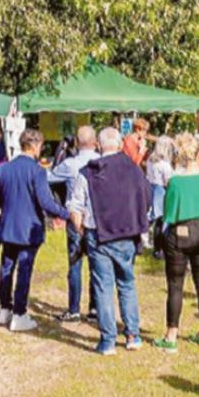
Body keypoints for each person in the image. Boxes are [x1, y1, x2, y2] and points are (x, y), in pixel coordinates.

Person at [78, 127, 151, 355]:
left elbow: (75, 206)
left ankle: (108, 341)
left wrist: (81, 230)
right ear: (120, 144)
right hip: (127, 233)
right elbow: (146, 197)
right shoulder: (134, 169)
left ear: (99, 146)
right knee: (127, 283)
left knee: (103, 287)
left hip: (98, 234)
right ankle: (132, 335)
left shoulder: (88, 172)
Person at [0, 129, 71, 332]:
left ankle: (4, 308)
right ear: (36, 146)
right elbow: (45, 202)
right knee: (24, 270)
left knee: (6, 268)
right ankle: (19, 313)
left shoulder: (4, 169)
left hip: (8, 226)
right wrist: (67, 214)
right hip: (29, 229)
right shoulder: (37, 171)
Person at [152, 133, 199, 353]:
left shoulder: (175, 181)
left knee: (175, 285)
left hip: (180, 233)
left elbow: (169, 213)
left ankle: (171, 336)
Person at [48, 125, 99, 322]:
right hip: (96, 219)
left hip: (75, 217)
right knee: (97, 264)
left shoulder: (70, 164)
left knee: (75, 264)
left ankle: (74, 308)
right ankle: (95, 308)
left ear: (76, 143)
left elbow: (49, 177)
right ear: (95, 142)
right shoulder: (102, 161)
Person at [145, 136, 174, 258]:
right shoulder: (165, 165)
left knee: (154, 219)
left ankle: (155, 247)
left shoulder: (150, 161)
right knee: (162, 221)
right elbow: (168, 182)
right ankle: (161, 248)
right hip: (162, 190)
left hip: (151, 188)